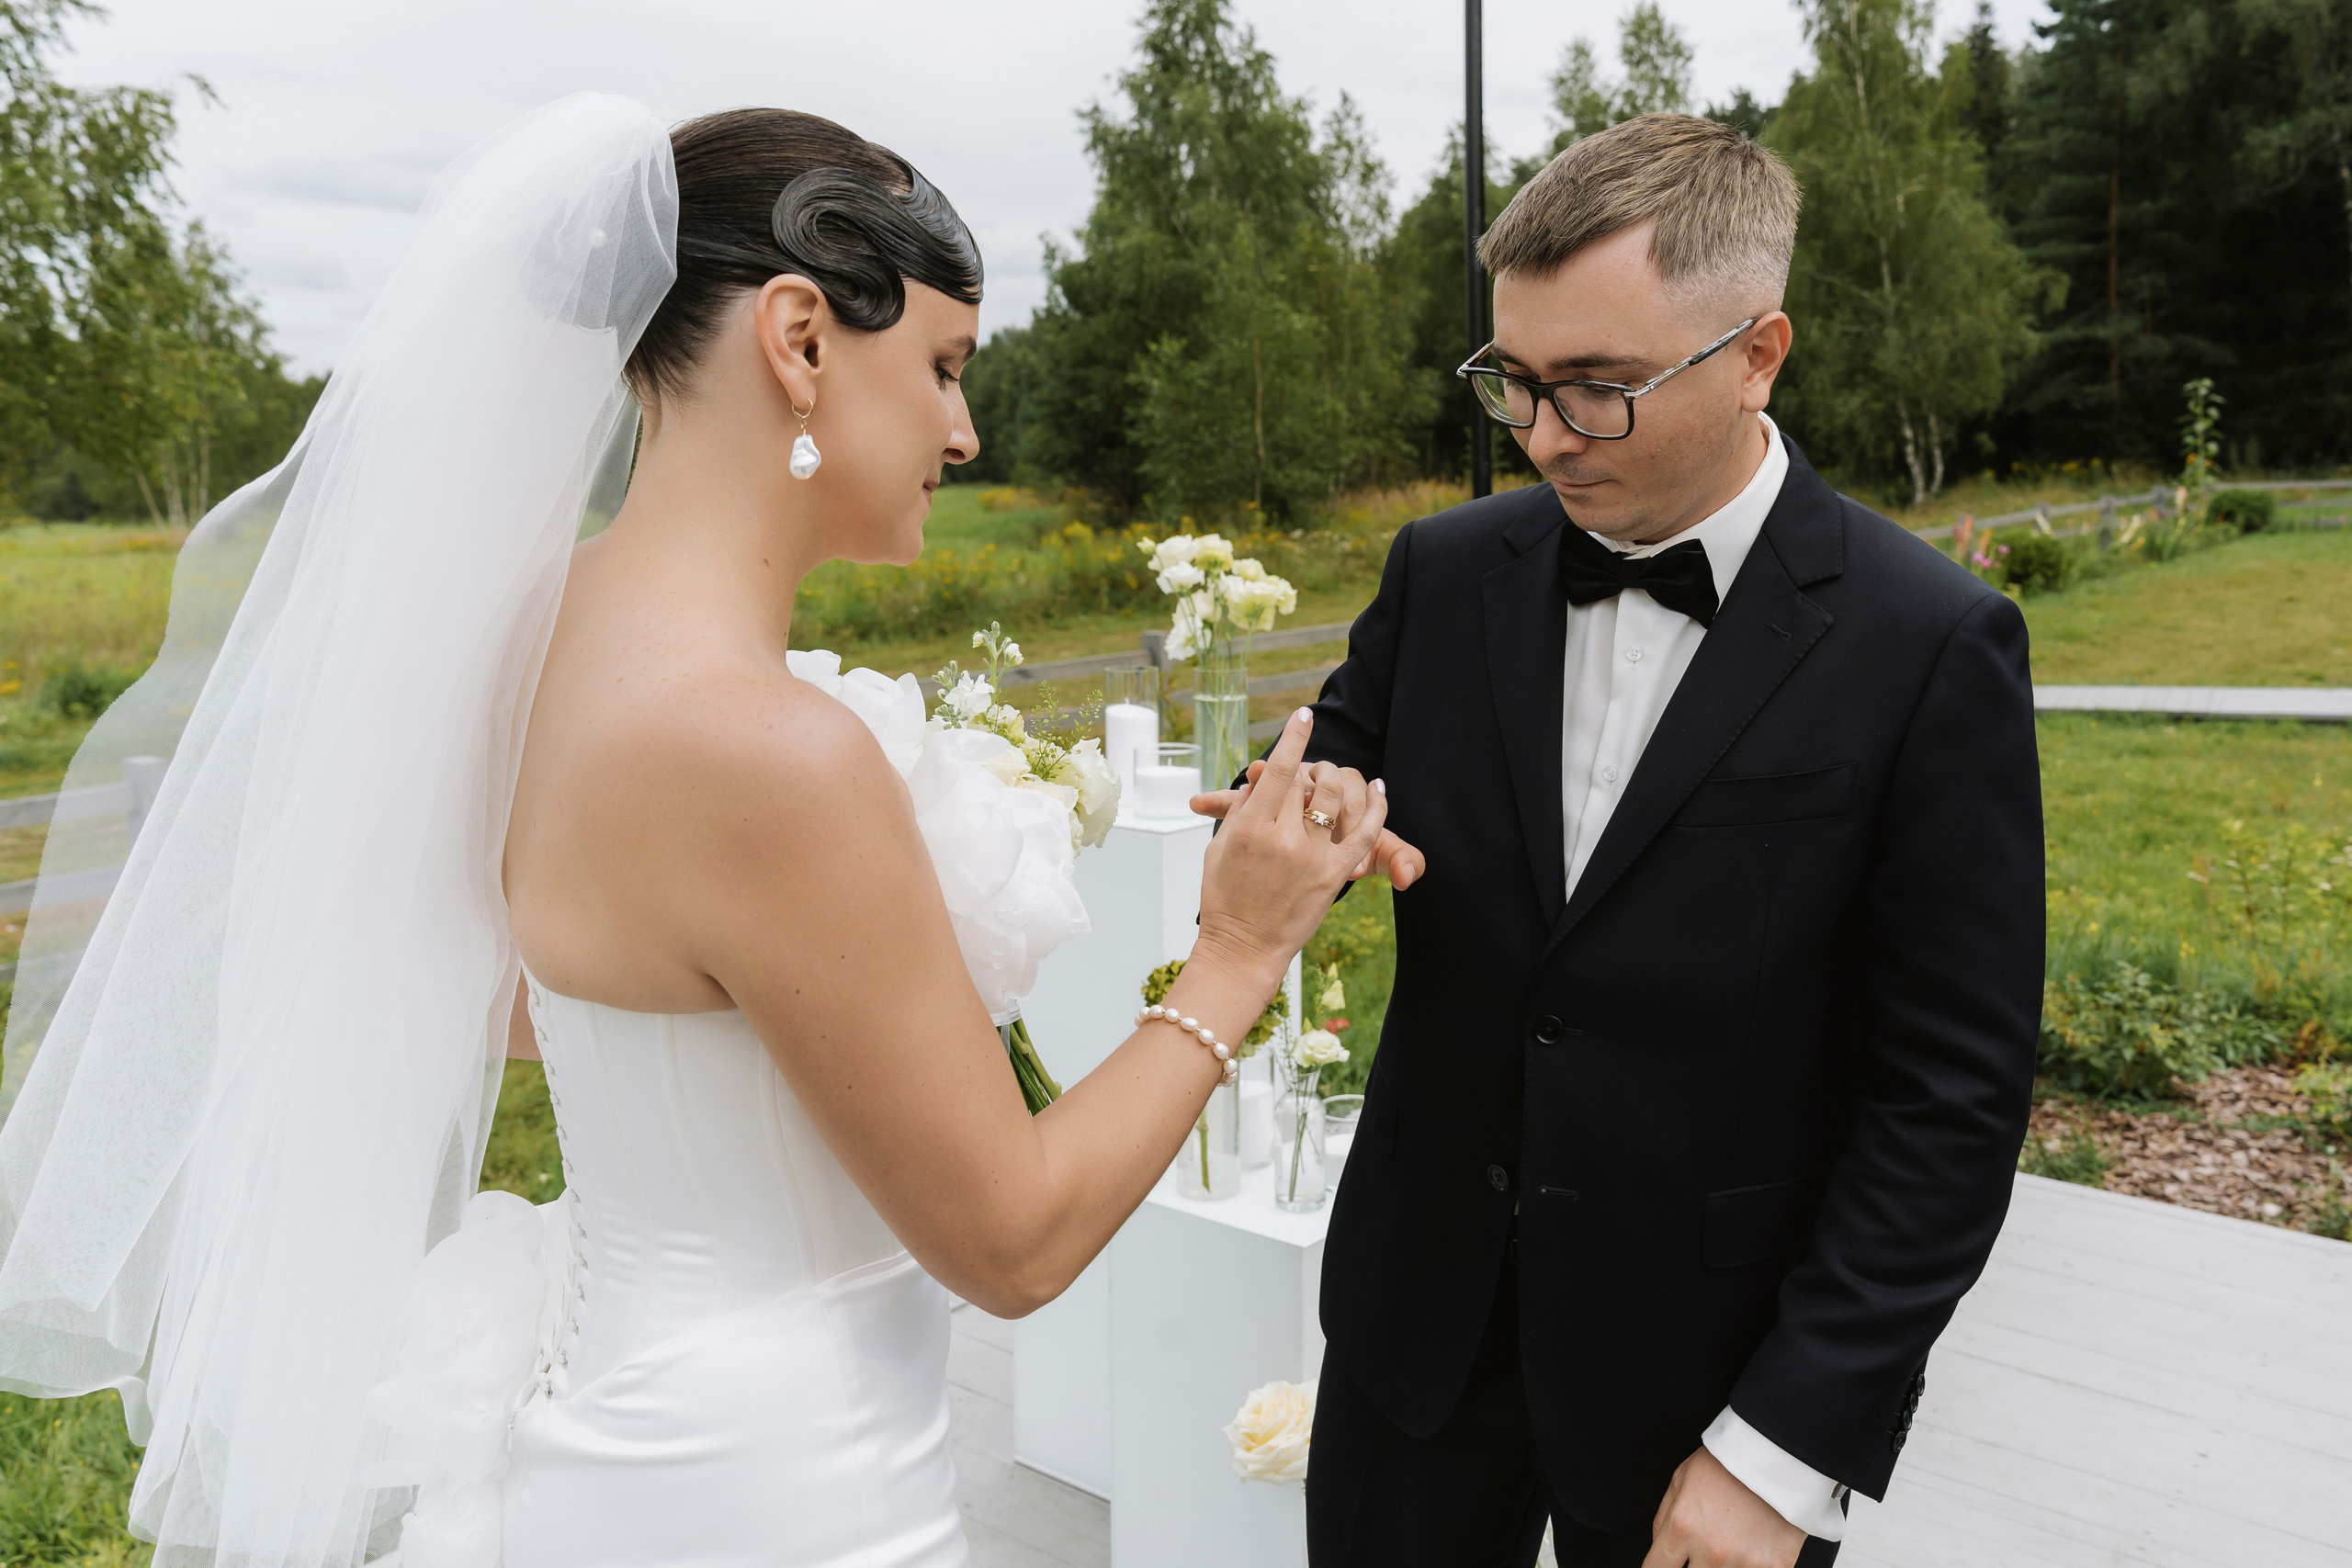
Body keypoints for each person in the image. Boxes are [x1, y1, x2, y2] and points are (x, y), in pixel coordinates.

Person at [0, 96, 1387, 1566]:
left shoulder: (522, 641)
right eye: (942, 365)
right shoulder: (769, 754)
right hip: (784, 1491)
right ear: (799, 340)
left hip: (602, 1434)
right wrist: (1239, 948)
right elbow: (1014, 1242)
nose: (964, 430)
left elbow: (526, 1000)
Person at [1202, 114, 2041, 1568]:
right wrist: (1305, 807)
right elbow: (1329, 757)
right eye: (1513, 382)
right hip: (1418, 1333)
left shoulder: (1931, 644)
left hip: (1713, 1386)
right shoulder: (1444, 570)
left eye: (1597, 388)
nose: (1540, 437)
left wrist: (1784, 1453)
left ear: (1759, 353)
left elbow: (1950, 1099)